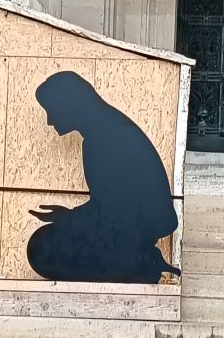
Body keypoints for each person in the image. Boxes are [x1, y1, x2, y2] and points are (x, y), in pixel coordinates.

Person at [26, 71, 180, 286]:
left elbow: (115, 210)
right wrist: (70, 217)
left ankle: (139, 264)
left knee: (43, 248)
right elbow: (110, 204)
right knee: (43, 244)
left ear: (69, 105)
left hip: (135, 231)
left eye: (51, 111)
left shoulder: (108, 137)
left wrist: (71, 219)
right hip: (127, 226)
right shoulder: (105, 131)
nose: (50, 121)